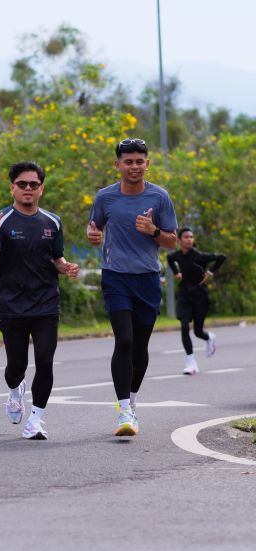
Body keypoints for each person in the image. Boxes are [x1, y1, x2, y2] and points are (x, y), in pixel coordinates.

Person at [0, 161, 79, 440]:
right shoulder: (0, 220)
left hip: (46, 303)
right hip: (11, 304)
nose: (28, 189)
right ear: (12, 188)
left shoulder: (52, 221)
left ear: (41, 189)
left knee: (45, 361)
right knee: (16, 367)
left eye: (33, 184)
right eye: (22, 184)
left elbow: (55, 258)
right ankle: (15, 390)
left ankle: (35, 420)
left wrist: (66, 267)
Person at [87, 138, 178, 437]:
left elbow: (172, 241)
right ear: (118, 165)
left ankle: (133, 400)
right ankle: (124, 409)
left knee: (140, 347)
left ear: (147, 164)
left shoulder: (159, 197)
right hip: (115, 277)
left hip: (147, 278)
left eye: (140, 161)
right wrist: (92, 235)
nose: (134, 166)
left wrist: (153, 230)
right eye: (128, 162)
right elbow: (94, 227)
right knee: (124, 340)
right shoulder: (105, 197)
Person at [167, 227, 226, 375]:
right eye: (186, 237)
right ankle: (191, 362)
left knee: (198, 332)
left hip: (200, 297)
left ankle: (209, 337)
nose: (189, 239)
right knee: (184, 326)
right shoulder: (177, 255)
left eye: (191, 237)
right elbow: (169, 259)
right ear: (179, 240)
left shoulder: (199, 256)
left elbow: (221, 257)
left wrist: (209, 272)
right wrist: (176, 273)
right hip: (185, 296)